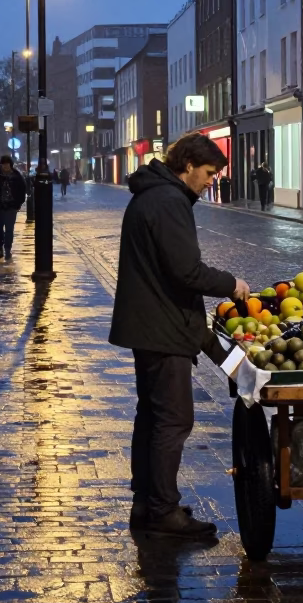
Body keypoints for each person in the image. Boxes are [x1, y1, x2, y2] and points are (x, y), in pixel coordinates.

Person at [109, 133, 250, 540]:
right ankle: (164, 512)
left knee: (152, 417)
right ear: (188, 164)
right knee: (173, 420)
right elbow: (186, 271)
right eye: (208, 173)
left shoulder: (153, 195)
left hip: (150, 324)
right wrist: (232, 283)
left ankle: (148, 502)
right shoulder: (169, 202)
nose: (211, 182)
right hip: (162, 327)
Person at [0, 155, 27, 261]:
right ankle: (0, 246)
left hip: (11, 207)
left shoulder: (17, 176)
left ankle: (8, 249)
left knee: (9, 229)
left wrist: (18, 203)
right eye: (3, 164)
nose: (5, 166)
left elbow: (22, 190)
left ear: (11, 165)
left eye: (7, 164)